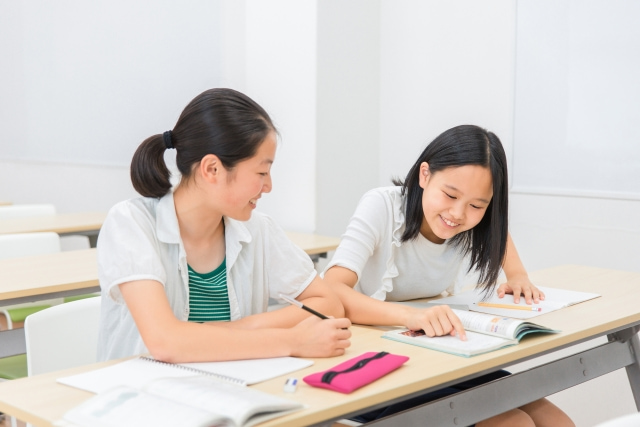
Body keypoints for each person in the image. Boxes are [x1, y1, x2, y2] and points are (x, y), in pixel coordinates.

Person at [323, 125, 574, 426]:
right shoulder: (383, 205)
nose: (457, 213)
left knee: (554, 420)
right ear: (425, 175)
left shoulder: (470, 222)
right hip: (375, 359)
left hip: (436, 353)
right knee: (513, 423)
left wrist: (518, 274)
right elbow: (332, 291)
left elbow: (498, 232)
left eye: (476, 205)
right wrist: (409, 317)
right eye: (450, 195)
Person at [97, 88, 351, 363]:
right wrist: (293, 340)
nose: (268, 186)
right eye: (261, 172)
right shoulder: (131, 223)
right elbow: (165, 341)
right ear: (212, 169)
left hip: (231, 385)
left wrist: (239, 329)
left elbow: (329, 304)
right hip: (146, 394)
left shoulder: (258, 230)